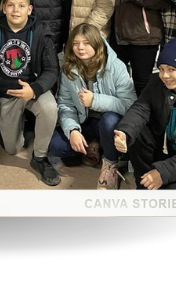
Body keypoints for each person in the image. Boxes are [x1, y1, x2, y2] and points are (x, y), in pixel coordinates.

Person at [0, 0, 62, 185]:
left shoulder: (40, 31)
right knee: (12, 149)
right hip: (6, 94)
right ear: (3, 8)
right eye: (11, 5)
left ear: (29, 9)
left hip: (33, 90)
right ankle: (16, 127)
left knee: (49, 108)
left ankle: (40, 157)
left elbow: (52, 70)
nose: (16, 10)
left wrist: (35, 89)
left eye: (21, 6)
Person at [113, 37, 176, 190]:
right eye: (162, 69)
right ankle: (143, 187)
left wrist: (163, 172)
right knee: (138, 134)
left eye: (172, 69)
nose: (165, 75)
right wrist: (125, 132)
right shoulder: (157, 83)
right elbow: (140, 108)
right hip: (171, 147)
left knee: (169, 191)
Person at [51, 23, 137, 189]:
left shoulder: (116, 67)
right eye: (76, 43)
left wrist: (95, 101)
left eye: (86, 43)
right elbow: (65, 104)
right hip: (85, 122)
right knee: (56, 145)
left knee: (109, 120)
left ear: (97, 44)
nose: (80, 48)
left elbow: (130, 105)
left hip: (109, 122)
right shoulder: (69, 68)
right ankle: (94, 147)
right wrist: (72, 130)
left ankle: (110, 164)